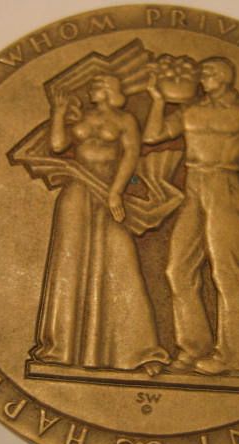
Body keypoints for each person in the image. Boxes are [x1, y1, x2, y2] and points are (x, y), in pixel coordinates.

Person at [143, 57, 239, 375]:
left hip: (225, 186)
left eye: (208, 72)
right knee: (177, 270)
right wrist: (157, 100)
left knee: (227, 274)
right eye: (202, 72)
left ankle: (234, 357)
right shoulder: (191, 110)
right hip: (193, 187)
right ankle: (193, 347)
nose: (202, 76)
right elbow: (153, 135)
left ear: (224, 76)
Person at [33, 75, 169, 376]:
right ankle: (62, 349)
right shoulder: (81, 117)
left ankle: (139, 350)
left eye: (96, 86)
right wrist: (58, 113)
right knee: (70, 264)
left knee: (121, 262)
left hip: (108, 193)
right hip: (76, 193)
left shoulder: (125, 120)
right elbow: (57, 145)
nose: (91, 90)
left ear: (109, 90)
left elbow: (131, 155)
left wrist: (116, 192)